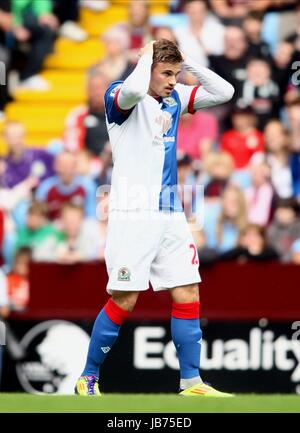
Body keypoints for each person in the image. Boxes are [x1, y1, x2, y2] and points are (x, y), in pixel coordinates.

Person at [75, 39, 234, 397]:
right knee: (125, 298)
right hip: (133, 212)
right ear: (147, 68)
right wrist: (146, 59)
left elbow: (224, 91)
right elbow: (133, 87)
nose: (173, 80)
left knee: (188, 289)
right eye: (166, 73)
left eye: (176, 74)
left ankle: (191, 382)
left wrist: (187, 62)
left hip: (170, 210)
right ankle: (88, 377)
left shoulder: (175, 98)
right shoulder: (121, 96)